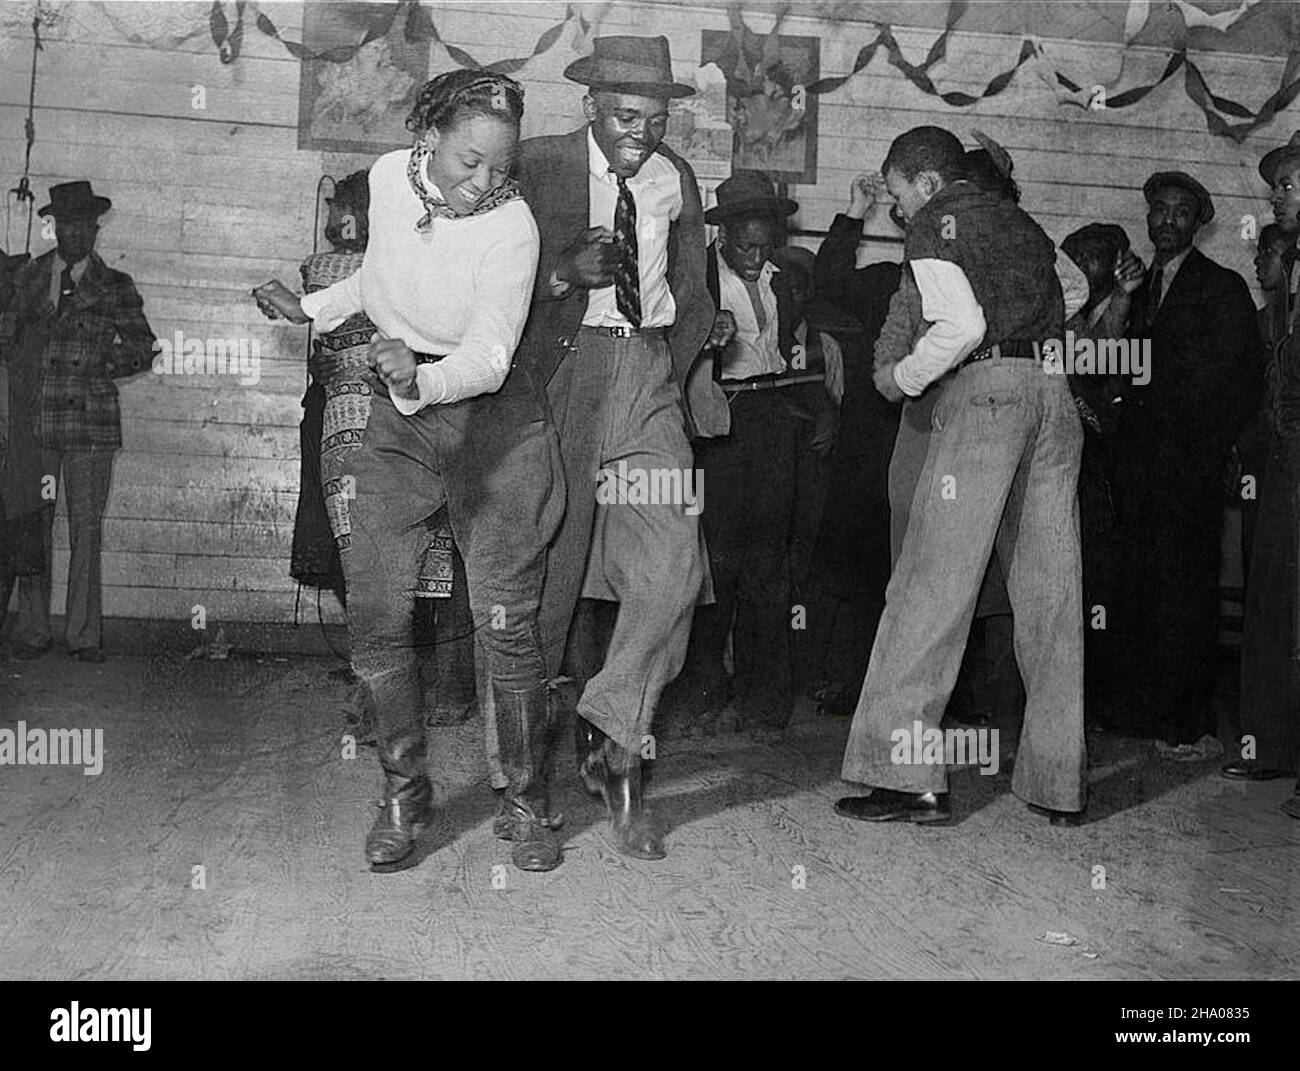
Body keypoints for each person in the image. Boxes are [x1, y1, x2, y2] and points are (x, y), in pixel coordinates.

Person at [255, 70, 565, 872]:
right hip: (402, 411)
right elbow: (383, 276)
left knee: (506, 617)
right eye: (469, 162)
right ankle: (404, 794)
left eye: (501, 168)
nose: (484, 183)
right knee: (377, 605)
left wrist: (417, 378)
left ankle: (527, 800)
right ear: (427, 138)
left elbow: (491, 358)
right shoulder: (392, 179)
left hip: (493, 419)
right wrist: (315, 307)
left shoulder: (514, 227)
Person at [514, 35, 727, 860]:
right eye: (625, 115)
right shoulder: (538, 166)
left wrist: (663, 369)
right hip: (562, 374)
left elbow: (693, 286)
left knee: (675, 567)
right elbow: (481, 270)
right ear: (591, 106)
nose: (641, 131)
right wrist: (563, 273)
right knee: (549, 579)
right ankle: (525, 782)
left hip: (643, 373)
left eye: (656, 115)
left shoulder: (677, 176)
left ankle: (613, 729)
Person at [835, 125, 1086, 826]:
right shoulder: (1022, 222)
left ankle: (908, 776)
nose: (897, 209)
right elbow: (1071, 292)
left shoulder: (933, 226)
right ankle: (1058, 784)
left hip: (989, 396)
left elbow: (961, 327)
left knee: (929, 587)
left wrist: (900, 376)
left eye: (895, 193)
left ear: (924, 181)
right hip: (1054, 395)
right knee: (1052, 596)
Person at [1106, 171, 1261, 759]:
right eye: (1159, 210)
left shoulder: (1222, 289)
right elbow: (1107, 363)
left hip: (1188, 470)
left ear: (1198, 223)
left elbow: (1238, 382)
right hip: (1135, 468)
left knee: (1186, 591)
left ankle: (1185, 719)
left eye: (1180, 212)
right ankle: (1135, 708)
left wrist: (1206, 456)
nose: (1167, 220)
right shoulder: (1132, 287)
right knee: (1136, 583)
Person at [673, 171, 825, 741]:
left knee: (769, 564)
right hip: (718, 426)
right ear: (722, 237)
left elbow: (801, 352)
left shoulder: (787, 283)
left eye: (766, 246)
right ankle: (705, 691)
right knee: (716, 564)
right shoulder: (696, 282)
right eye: (746, 247)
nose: (758, 258)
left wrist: (814, 412)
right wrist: (702, 337)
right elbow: (669, 348)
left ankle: (766, 701)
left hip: (773, 423)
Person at [1, 182, 156, 663]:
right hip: (38, 426)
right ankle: (31, 630)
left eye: (86, 224)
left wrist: (101, 366)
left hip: (90, 428)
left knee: (86, 529)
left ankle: (84, 635)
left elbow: (143, 348)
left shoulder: (116, 286)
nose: (77, 233)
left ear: (95, 229)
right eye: (67, 224)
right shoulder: (27, 279)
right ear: (55, 227)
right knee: (35, 522)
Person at [1221, 135, 1300, 808]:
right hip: (1285, 453)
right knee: (1275, 601)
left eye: (1291, 184)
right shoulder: (1294, 269)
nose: (1278, 194)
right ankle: (1271, 746)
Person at [808, 177, 902, 717]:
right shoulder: (889, 282)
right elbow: (829, 279)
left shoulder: (970, 284)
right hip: (871, 448)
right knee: (863, 570)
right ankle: (858, 684)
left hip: (934, 444)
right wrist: (856, 211)